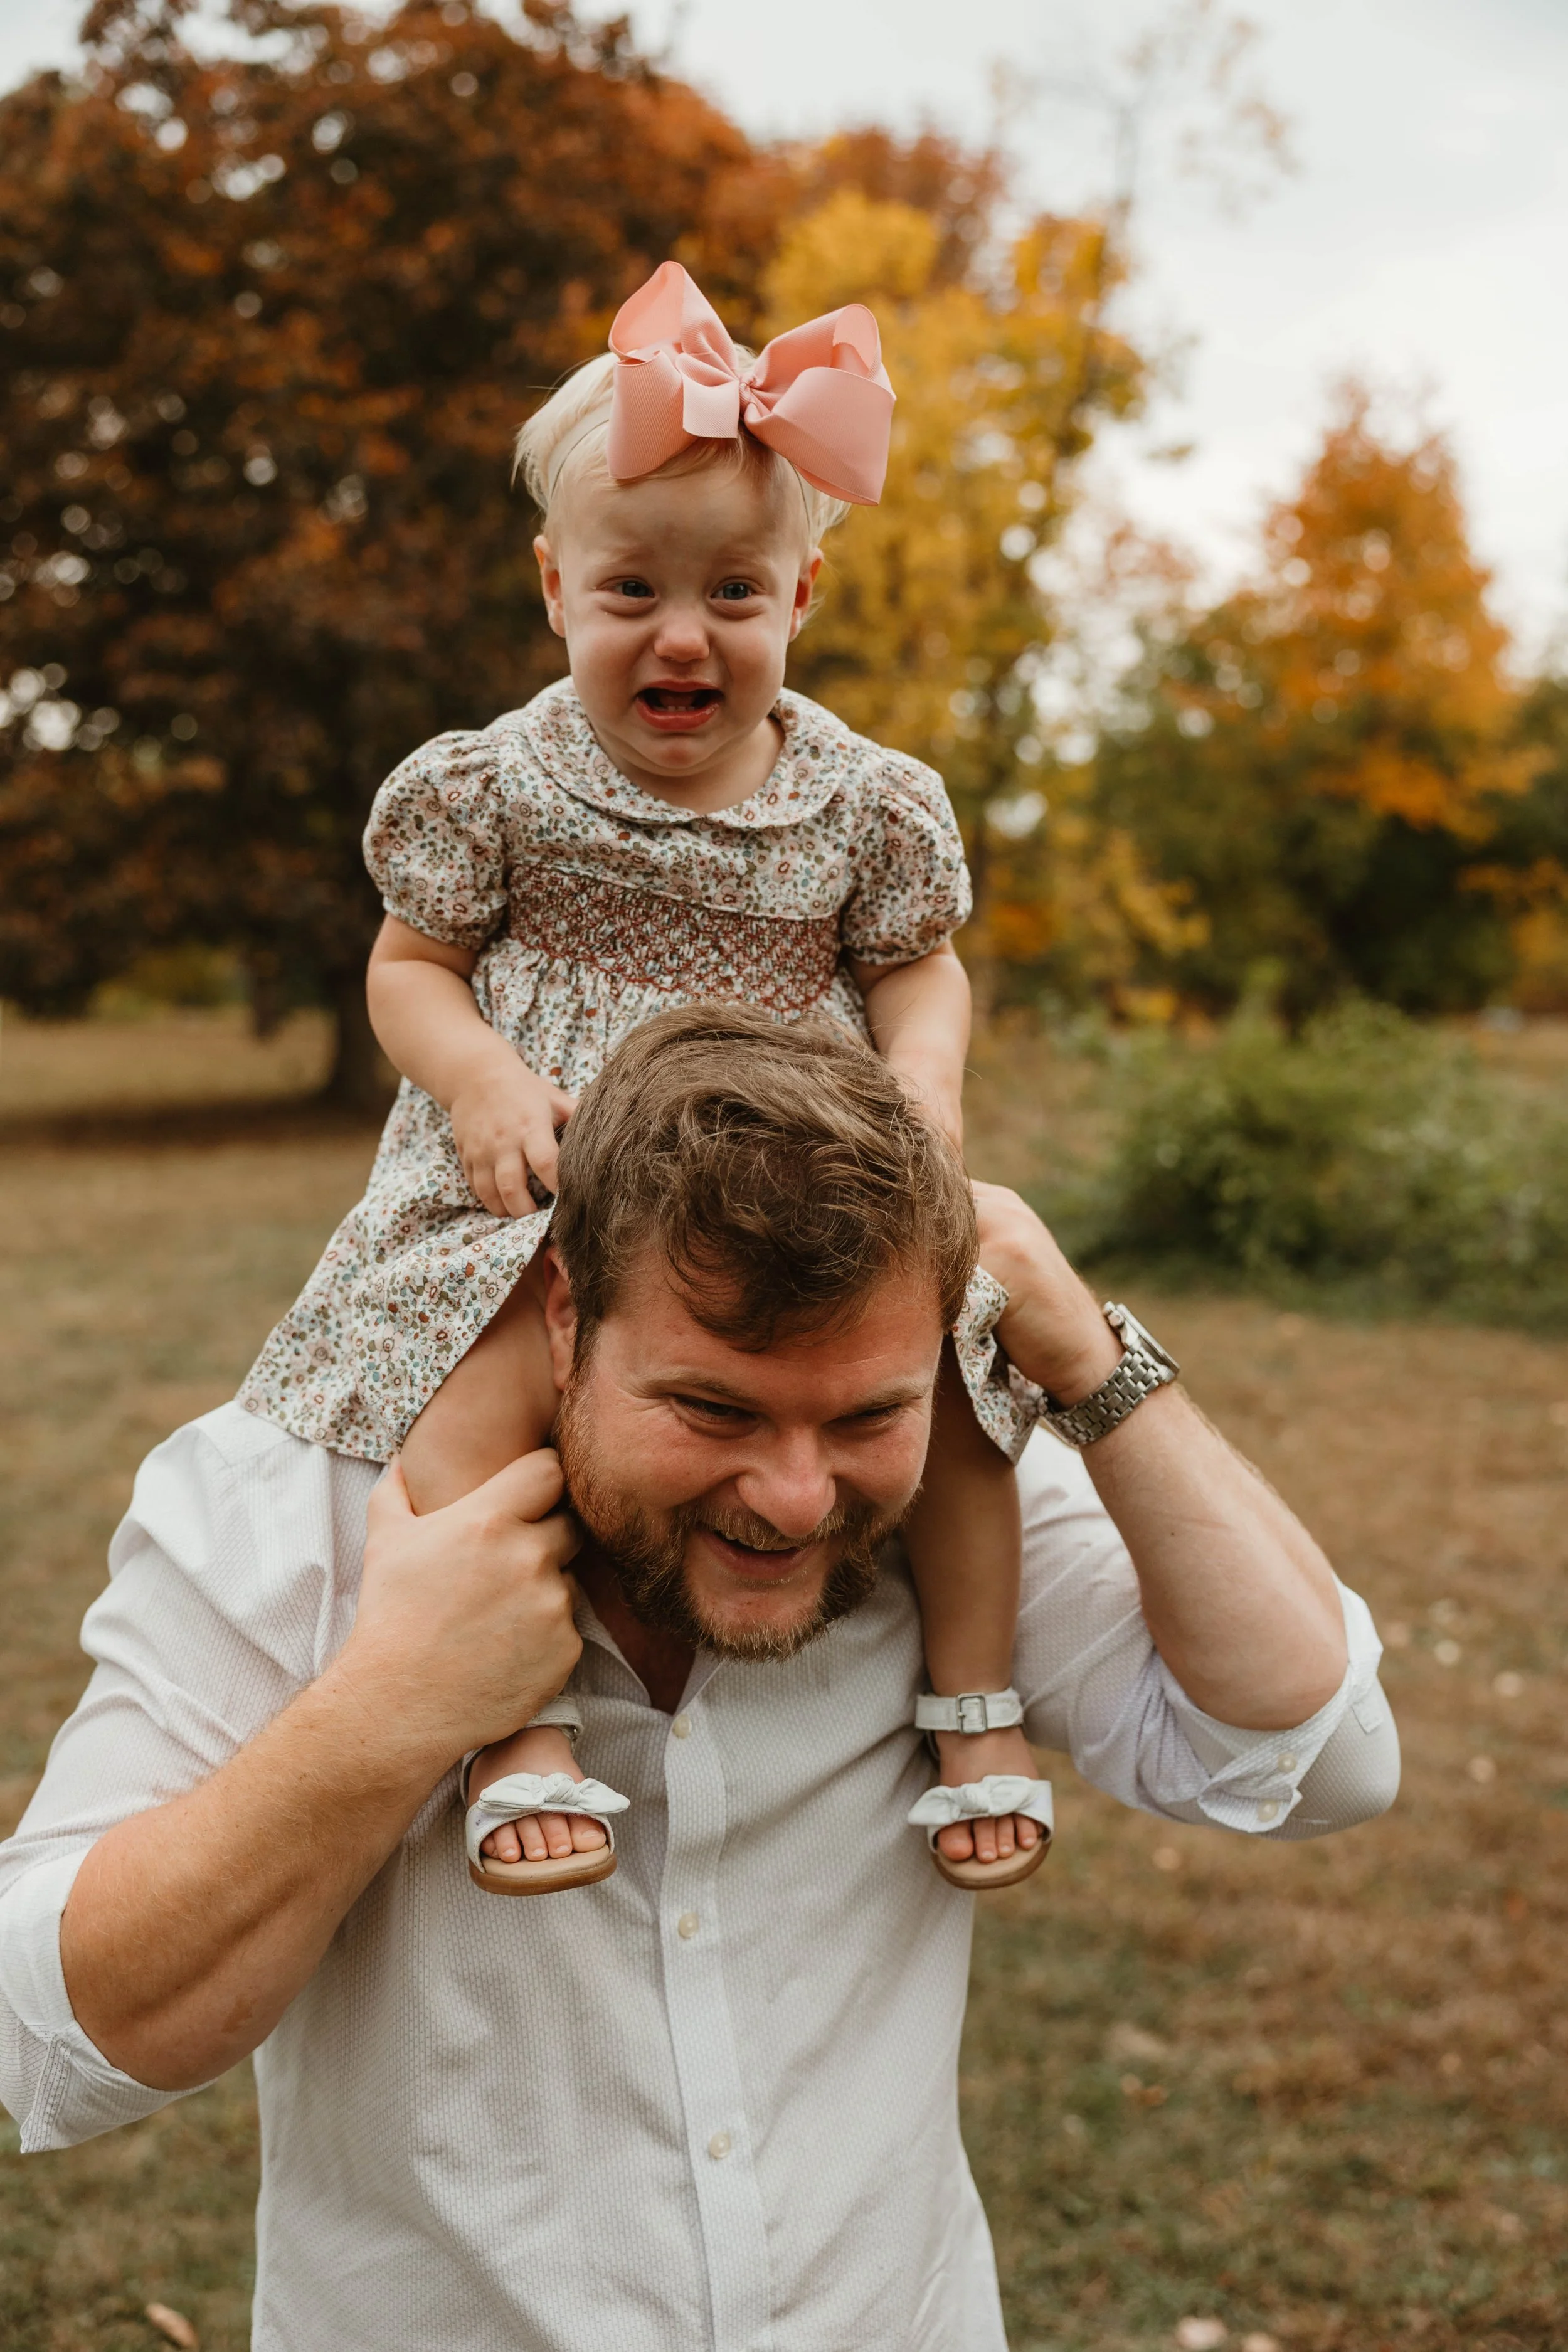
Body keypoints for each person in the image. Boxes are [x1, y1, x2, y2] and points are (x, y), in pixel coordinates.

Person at [0, 1006, 1397, 2352]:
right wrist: (390, 1708)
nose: (794, 1501)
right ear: (562, 1312)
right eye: (711, 1408)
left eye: (862, 1414)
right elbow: (54, 2038)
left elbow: (1324, 1760)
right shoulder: (289, 1501)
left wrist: (1091, 1361)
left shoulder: (951, 1499)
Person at [235, 258, 1044, 1894]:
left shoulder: (862, 805)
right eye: (632, 596)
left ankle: (974, 1704)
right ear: (555, 588)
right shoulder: (491, 789)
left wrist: (928, 1088)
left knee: (952, 1396)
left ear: (796, 606)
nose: (683, 637)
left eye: (733, 594)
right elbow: (409, 968)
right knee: (476, 1395)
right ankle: (514, 1717)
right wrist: (470, 1077)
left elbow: (914, 967)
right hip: (547, 1171)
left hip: (792, 1180)